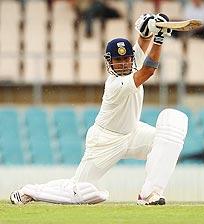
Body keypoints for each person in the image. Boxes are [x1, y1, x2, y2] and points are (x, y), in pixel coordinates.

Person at [10, 13, 188, 206]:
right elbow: (147, 71)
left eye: (126, 60)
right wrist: (159, 38)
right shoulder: (115, 84)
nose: (122, 64)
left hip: (132, 132)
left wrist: (148, 29)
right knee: (78, 191)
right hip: (106, 141)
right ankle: (29, 191)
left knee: (172, 131)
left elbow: (143, 42)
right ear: (109, 62)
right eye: (117, 61)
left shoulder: (132, 63)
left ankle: (150, 194)